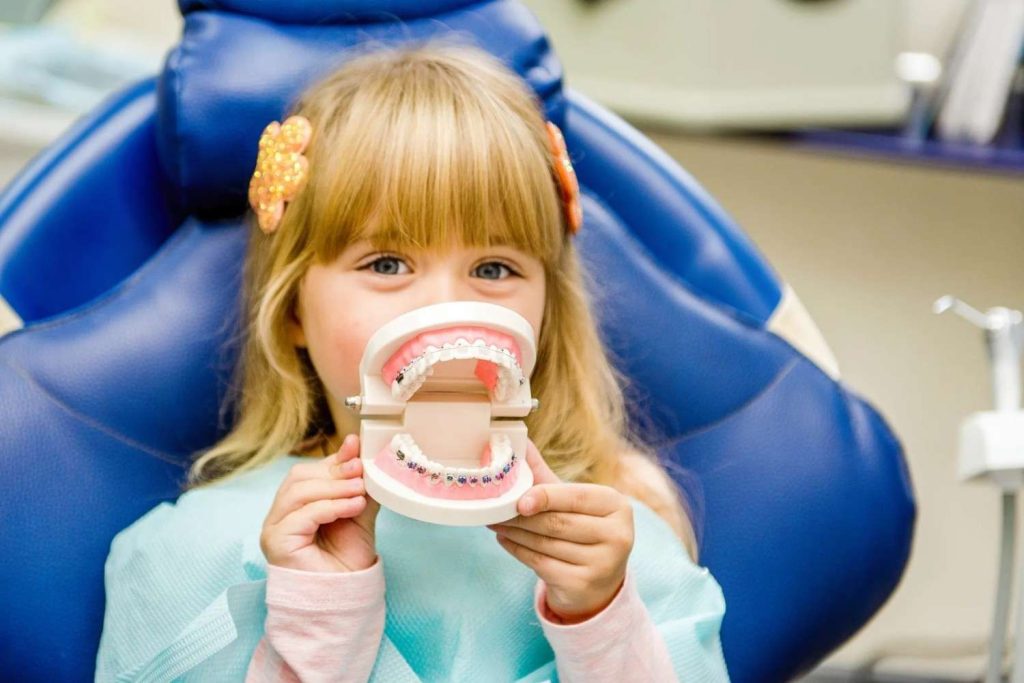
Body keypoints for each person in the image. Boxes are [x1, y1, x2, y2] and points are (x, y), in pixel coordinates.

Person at [94, 40, 730, 682]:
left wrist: (602, 627)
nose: (446, 307)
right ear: (292, 312)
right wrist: (319, 623)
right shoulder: (194, 552)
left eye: (493, 268)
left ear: (546, 315)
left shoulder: (621, 551)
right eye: (387, 264)